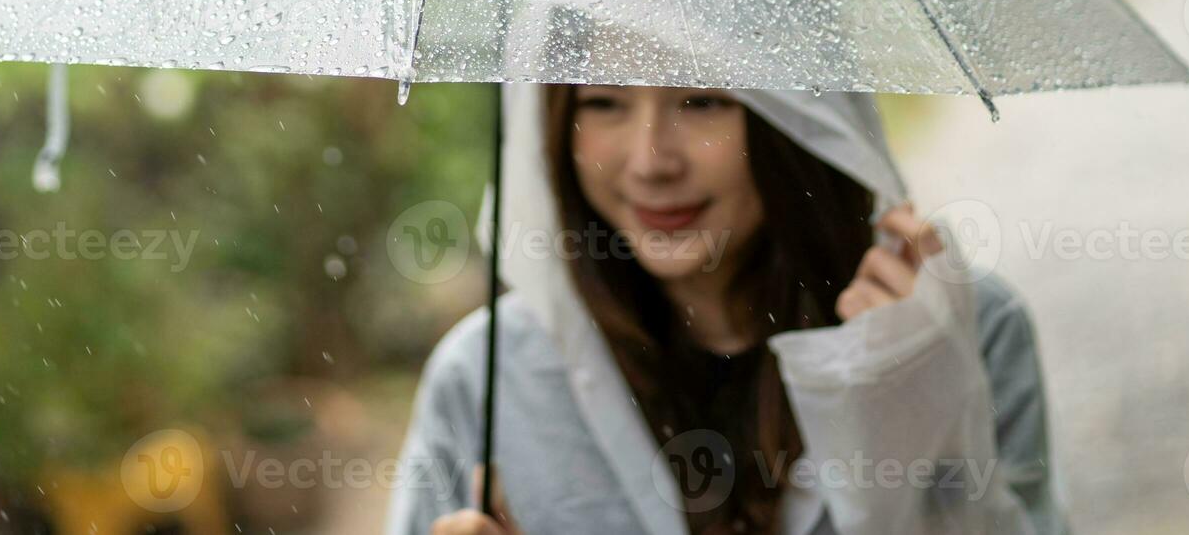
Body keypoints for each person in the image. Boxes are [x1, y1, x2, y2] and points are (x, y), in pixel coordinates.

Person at [384, 82, 1070, 535]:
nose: (652, 159)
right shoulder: (490, 379)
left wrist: (910, 418)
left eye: (703, 99)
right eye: (602, 102)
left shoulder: (955, 331)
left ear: (800, 108)